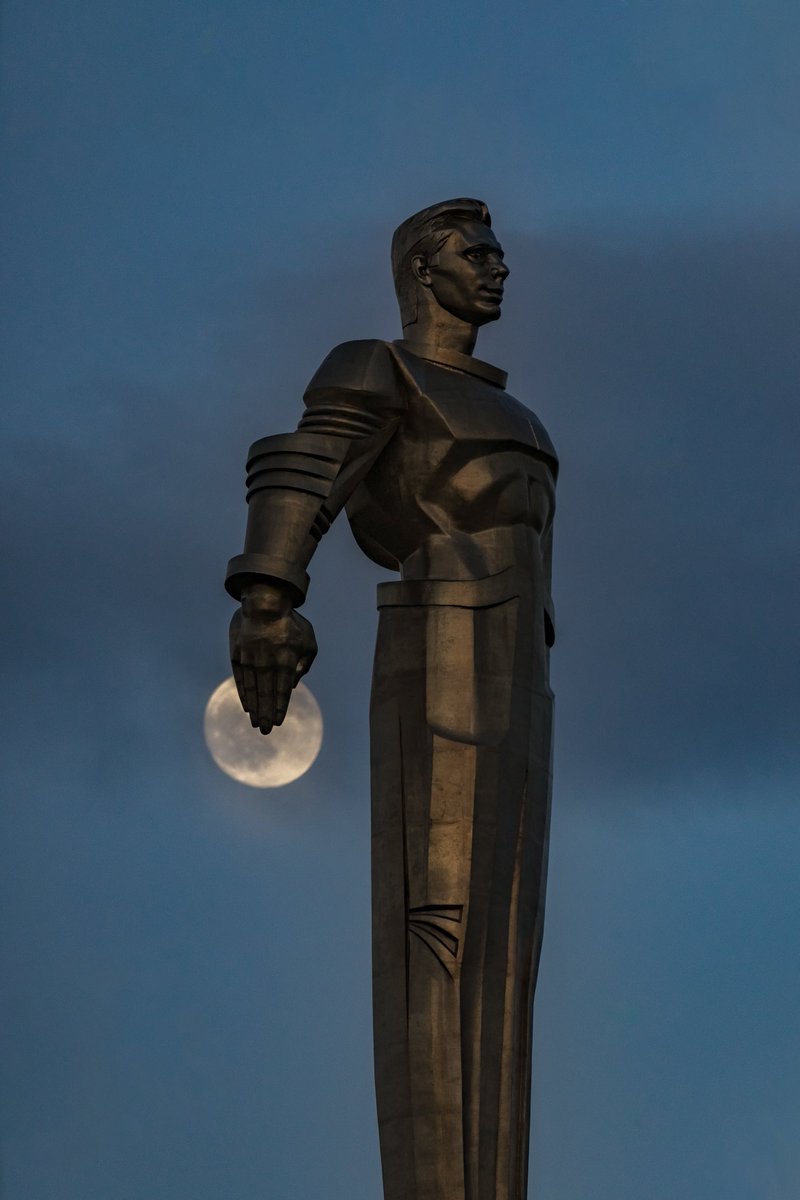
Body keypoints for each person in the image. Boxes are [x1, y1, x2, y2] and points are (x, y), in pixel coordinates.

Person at [226, 198, 558, 1200]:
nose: (497, 267)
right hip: (442, 640)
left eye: (498, 251)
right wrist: (269, 596)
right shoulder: (378, 367)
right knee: (441, 929)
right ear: (423, 268)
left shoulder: (520, 415)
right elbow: (308, 464)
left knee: (505, 953)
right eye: (475, 251)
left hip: (518, 673)